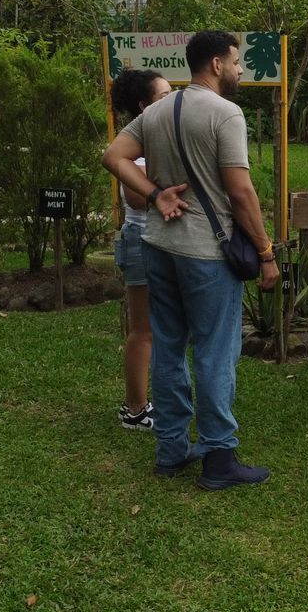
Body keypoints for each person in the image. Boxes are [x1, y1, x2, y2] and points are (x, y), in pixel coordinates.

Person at [101, 31, 281, 491]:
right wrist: (265, 251)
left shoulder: (158, 110)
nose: (241, 70)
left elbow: (113, 156)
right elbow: (240, 192)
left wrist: (155, 194)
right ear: (217, 64)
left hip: (158, 245)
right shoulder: (226, 113)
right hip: (207, 251)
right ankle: (220, 456)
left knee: (167, 346)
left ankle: (171, 449)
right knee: (215, 351)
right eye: (237, 62)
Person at [108, 67, 173, 432]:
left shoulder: (157, 140)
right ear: (143, 105)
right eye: (164, 97)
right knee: (143, 330)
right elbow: (135, 197)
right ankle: (135, 409)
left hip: (162, 243)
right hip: (141, 241)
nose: (173, 102)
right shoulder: (131, 146)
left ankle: (154, 401)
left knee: (161, 329)